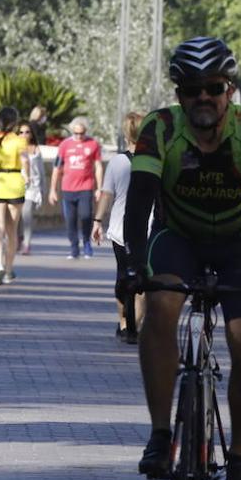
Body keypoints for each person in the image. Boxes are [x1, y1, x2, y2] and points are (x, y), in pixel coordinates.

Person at [121, 37, 241, 480]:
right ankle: (160, 433)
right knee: (162, 305)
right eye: (193, 90)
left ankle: (237, 460)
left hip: (240, 240)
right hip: (180, 236)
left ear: (228, 89)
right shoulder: (160, 128)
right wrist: (131, 263)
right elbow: (141, 199)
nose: (203, 98)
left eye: (213, 87)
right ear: (180, 95)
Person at [94, 112, 144, 344]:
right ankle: (136, 324)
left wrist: (97, 221)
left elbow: (106, 194)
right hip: (148, 229)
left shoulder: (117, 162)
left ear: (126, 134)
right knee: (144, 278)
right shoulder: (156, 162)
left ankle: (124, 323)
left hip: (120, 228)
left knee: (123, 275)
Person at [49, 116, 103, 259]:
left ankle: (86, 242)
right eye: (76, 133)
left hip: (86, 187)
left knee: (86, 216)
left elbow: (98, 166)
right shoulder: (64, 145)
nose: (79, 136)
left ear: (86, 131)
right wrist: (52, 190)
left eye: (82, 133)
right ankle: (74, 247)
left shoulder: (93, 144)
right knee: (70, 220)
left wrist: (99, 188)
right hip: (68, 189)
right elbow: (56, 168)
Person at [0, 107, 27, 285]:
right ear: (15, 123)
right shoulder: (19, 141)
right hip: (15, 183)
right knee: (12, 231)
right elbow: (24, 161)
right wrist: (28, 178)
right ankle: (9, 270)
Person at [17, 121, 45, 255]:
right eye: (21, 132)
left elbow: (41, 171)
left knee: (26, 213)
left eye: (27, 132)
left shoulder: (36, 149)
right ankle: (18, 238)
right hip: (16, 184)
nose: (24, 135)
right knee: (15, 215)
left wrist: (43, 189)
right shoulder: (14, 148)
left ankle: (26, 243)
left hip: (32, 187)